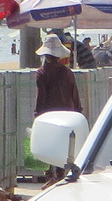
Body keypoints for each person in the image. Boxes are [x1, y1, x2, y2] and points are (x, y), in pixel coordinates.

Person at [34, 35, 83, 184]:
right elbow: (75, 95)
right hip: (67, 115)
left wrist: (37, 115)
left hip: (48, 116)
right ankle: (61, 176)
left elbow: (41, 97)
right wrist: (78, 112)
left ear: (45, 55)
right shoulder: (68, 72)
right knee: (62, 147)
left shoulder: (41, 73)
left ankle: (49, 176)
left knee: (47, 146)